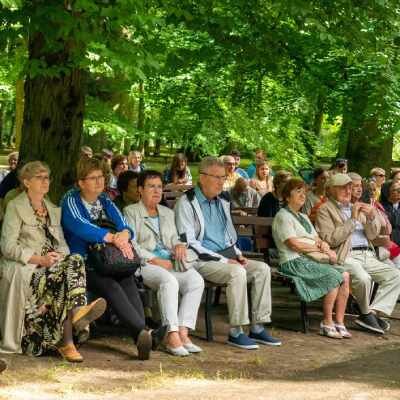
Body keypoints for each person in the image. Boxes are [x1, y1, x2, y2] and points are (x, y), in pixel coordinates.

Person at [0, 161, 106, 362]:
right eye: (39, 177)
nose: (45, 181)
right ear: (26, 182)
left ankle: (70, 335)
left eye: (47, 177)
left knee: (73, 258)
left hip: (52, 268)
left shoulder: (52, 209)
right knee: (69, 270)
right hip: (28, 269)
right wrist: (40, 259)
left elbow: (63, 244)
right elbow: (7, 246)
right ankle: (70, 334)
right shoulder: (15, 206)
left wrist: (59, 256)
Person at [175, 156, 281, 350]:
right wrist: (225, 260)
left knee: (262, 269)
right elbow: (189, 243)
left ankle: (258, 326)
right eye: (217, 177)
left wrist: (237, 253)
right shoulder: (187, 202)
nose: (221, 182)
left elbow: (228, 235)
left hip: (226, 256)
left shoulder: (223, 199)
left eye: (223, 178)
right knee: (237, 272)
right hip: (201, 259)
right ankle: (236, 331)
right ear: (202, 177)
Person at [61, 157, 161, 360]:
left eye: (102, 177)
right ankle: (146, 334)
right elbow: (80, 226)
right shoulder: (71, 200)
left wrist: (123, 235)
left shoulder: (105, 200)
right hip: (86, 262)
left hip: (111, 258)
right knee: (112, 287)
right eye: (93, 178)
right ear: (80, 182)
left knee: (127, 279)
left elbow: (124, 224)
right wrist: (111, 237)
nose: (99, 182)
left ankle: (142, 336)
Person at [124, 170, 204, 356]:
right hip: (145, 264)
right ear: (140, 190)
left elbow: (176, 238)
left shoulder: (167, 213)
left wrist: (179, 246)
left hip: (170, 262)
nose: (157, 191)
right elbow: (131, 244)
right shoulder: (131, 212)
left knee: (195, 281)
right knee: (169, 282)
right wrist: (154, 259)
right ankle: (171, 334)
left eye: (159, 187)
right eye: (151, 186)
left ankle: (183, 332)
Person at [315, 173, 400, 334]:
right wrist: (353, 219)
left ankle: (371, 313)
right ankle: (366, 313)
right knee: (363, 278)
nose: (348, 191)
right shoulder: (325, 210)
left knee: (395, 275)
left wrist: (371, 218)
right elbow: (331, 240)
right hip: (346, 255)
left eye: (349, 187)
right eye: (342, 188)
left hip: (368, 254)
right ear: (331, 190)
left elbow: (372, 235)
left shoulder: (356, 206)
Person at [272, 178, 350, 339]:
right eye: (298, 192)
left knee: (345, 275)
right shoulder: (283, 216)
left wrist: (324, 246)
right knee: (333, 276)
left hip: (309, 260)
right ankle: (326, 323)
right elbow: (294, 245)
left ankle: (339, 322)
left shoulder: (303, 217)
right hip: (293, 262)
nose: (303, 195)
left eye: (304, 192)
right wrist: (317, 247)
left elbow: (316, 238)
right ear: (287, 197)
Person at [352, 174, 400, 268]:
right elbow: (383, 229)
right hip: (376, 248)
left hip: (386, 245)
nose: (373, 193)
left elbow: (387, 228)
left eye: (374, 190)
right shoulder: (368, 206)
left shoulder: (377, 205)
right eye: (370, 190)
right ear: (387, 192)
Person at [380, 179, 400, 247]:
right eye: (395, 190)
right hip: (388, 247)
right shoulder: (380, 208)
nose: (399, 191)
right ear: (387, 193)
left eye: (399, 189)